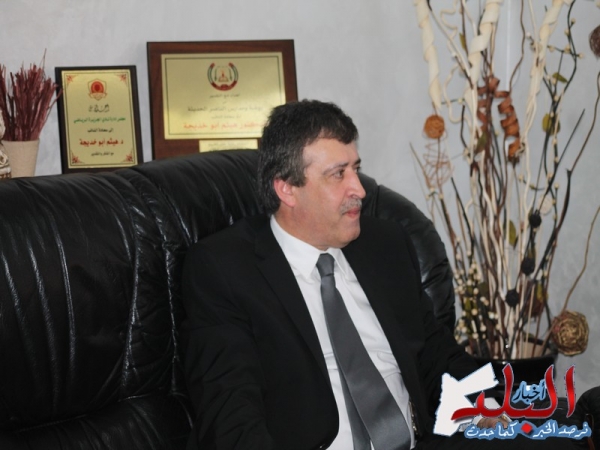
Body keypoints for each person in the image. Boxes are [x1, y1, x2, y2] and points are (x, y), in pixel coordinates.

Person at [181, 100, 586, 449]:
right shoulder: (224, 270)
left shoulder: (384, 245)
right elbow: (230, 416)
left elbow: (435, 352)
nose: (359, 189)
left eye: (356, 169)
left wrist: (488, 409)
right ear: (287, 189)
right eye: (338, 174)